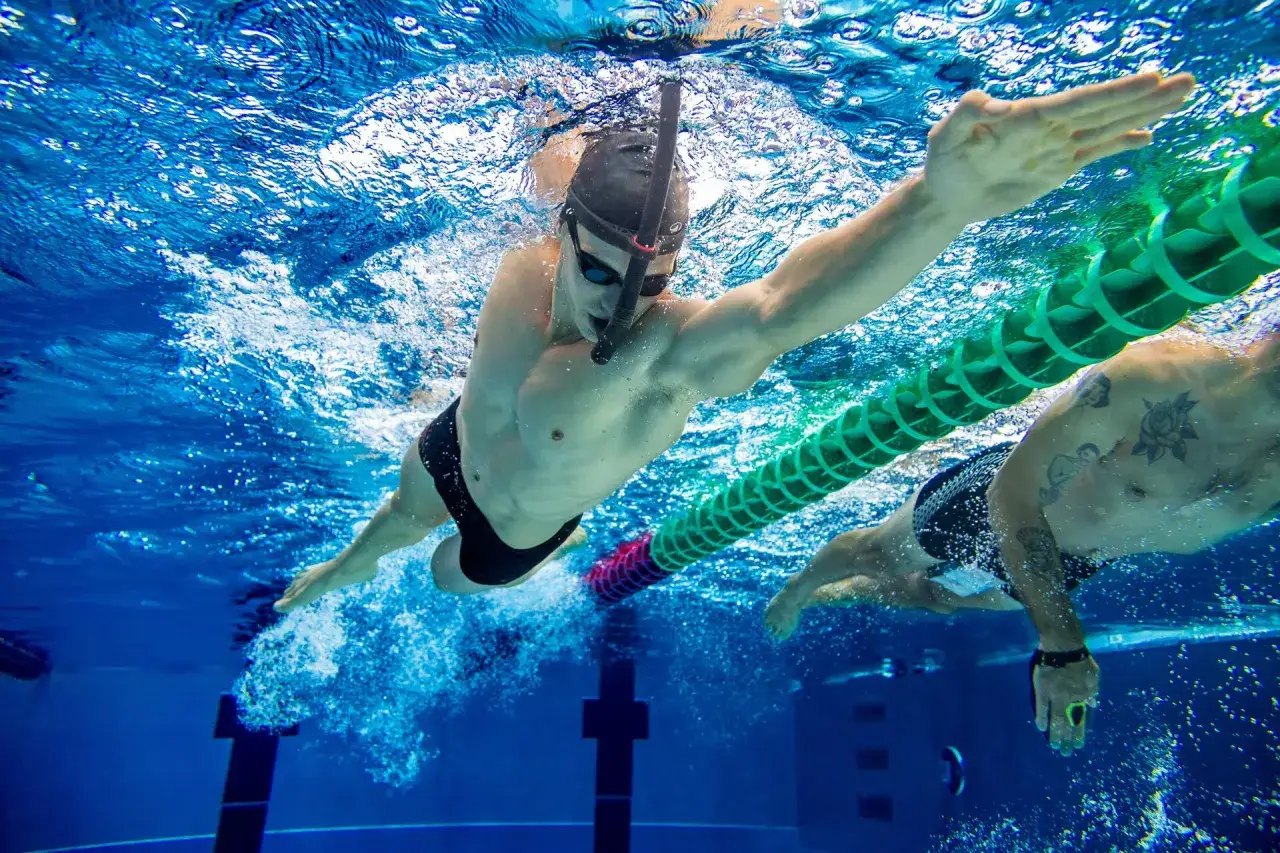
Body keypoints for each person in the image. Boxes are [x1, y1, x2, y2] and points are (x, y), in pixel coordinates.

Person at [274, 68, 1195, 612]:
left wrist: (938, 200)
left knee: (443, 574)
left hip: (514, 531)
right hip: (452, 444)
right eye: (595, 272)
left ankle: (563, 535)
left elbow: (787, 302)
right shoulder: (533, 244)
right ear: (564, 234)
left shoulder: (665, 352)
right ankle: (340, 570)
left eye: (654, 282)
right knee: (387, 528)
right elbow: (560, 140)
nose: (618, 306)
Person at [764, 329, 1280, 755]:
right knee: (876, 554)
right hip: (995, 504)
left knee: (936, 599)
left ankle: (835, 592)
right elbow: (1011, 493)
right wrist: (1061, 642)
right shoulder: (1159, 378)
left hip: (1070, 562)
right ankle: (800, 583)